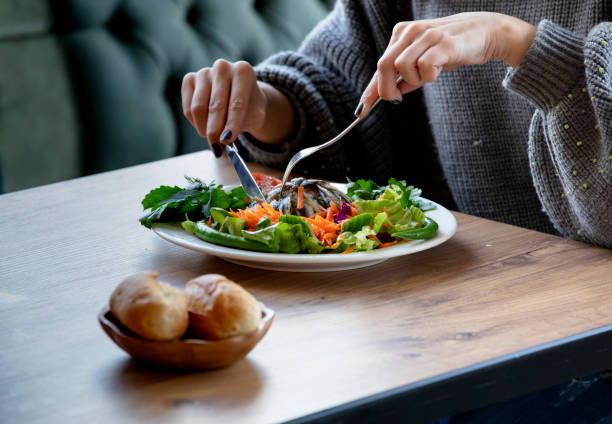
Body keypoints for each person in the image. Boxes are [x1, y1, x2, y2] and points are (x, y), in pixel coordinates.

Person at [181, 1, 612, 420]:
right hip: (443, 318)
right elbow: (347, 92)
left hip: (584, 341)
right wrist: (263, 106)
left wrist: (521, 44)